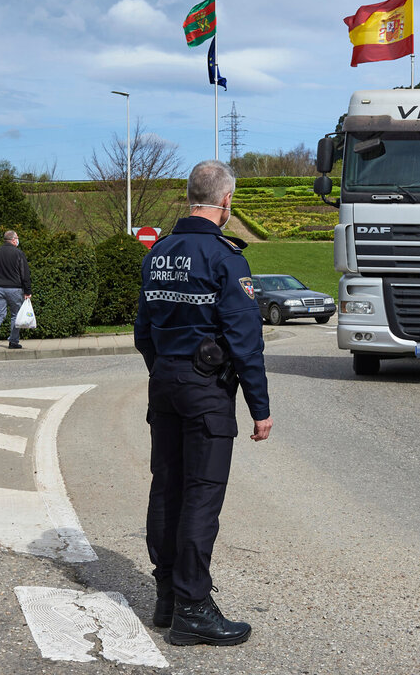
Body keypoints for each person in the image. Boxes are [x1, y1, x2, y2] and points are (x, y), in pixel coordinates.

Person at [134, 160, 273, 647]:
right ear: (226, 200)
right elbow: (244, 341)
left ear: (190, 195)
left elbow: (143, 330)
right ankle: (193, 607)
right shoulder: (224, 257)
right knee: (201, 494)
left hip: (164, 383)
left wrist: (165, 370)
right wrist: (259, 407)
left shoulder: (158, 252)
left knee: (167, 487)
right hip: (205, 389)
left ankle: (167, 597)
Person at [0, 230, 31, 350]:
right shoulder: (19, 253)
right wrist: (27, 291)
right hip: (15, 289)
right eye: (17, 238)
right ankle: (13, 341)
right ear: (13, 240)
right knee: (16, 315)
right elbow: (25, 273)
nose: (18, 240)